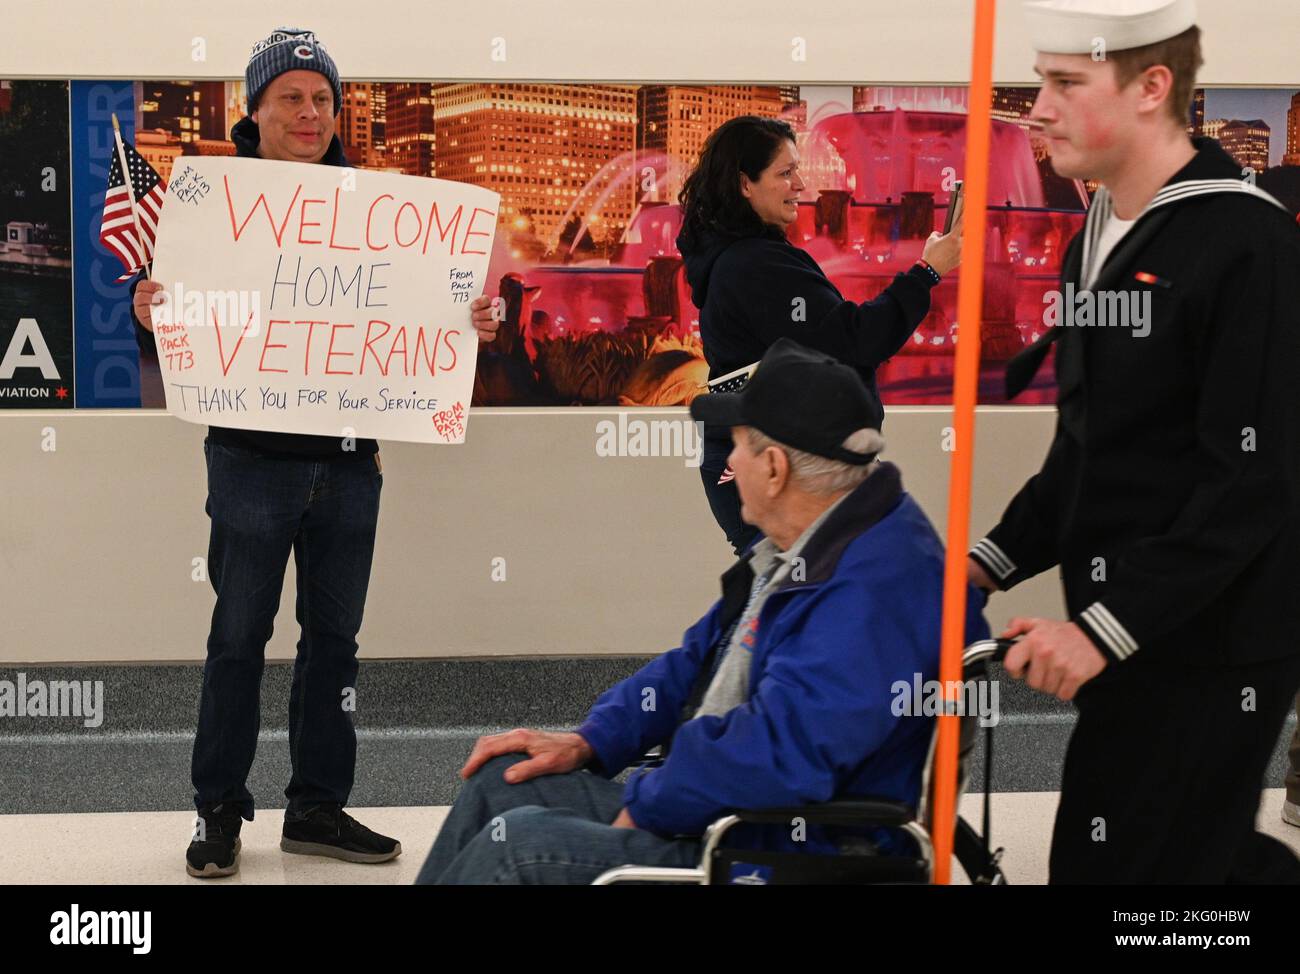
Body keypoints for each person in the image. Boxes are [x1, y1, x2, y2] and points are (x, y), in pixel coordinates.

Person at [130, 26, 502, 878]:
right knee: (237, 638)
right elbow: (163, 310)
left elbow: (430, 315)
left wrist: (473, 323)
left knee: (335, 642)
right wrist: (145, 311)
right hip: (251, 462)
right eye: (291, 96)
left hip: (348, 464)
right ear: (253, 112)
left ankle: (318, 808)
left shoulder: (385, 213)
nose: (309, 112)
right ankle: (218, 812)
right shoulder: (212, 205)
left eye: (323, 98)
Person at [415, 339, 989, 884]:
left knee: (520, 845)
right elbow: (695, 662)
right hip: (732, 815)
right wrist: (592, 740)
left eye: (735, 444)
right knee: (502, 781)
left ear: (773, 468)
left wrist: (650, 806)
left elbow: (778, 756)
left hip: (784, 850)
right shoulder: (807, 548)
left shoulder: (873, 591)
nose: (727, 463)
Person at [967, 0, 1300, 883]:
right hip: (1129, 633)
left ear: (1153, 87)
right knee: (1179, 859)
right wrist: (986, 561)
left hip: (1214, 642)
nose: (1036, 107)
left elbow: (1255, 479)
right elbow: (1088, 446)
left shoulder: (1248, 242)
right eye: (1040, 79)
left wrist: (1103, 632)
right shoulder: (1097, 237)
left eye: (1065, 82)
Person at [677, 115, 963, 554]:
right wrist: (927, 272)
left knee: (795, 595)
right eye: (785, 172)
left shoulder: (735, 258)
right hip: (782, 469)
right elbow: (856, 341)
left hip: (768, 463)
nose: (800, 185)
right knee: (854, 576)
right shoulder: (756, 265)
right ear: (745, 184)